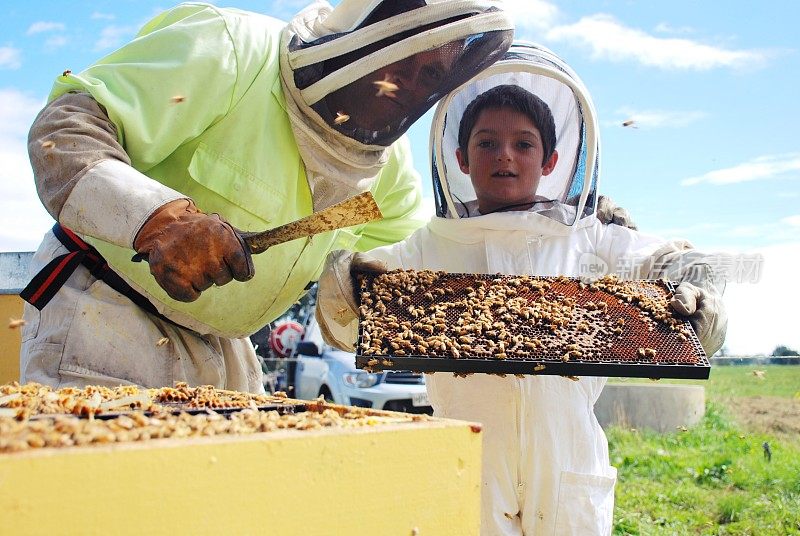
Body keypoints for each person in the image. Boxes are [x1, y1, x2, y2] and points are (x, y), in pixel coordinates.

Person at [315, 42, 727, 535]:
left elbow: (677, 263)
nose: (504, 155)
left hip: (567, 458)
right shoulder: (430, 246)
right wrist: (345, 283)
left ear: (552, 160)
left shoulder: (591, 239)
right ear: (461, 159)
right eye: (486, 142)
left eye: (524, 144)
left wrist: (699, 291)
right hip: (470, 452)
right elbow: (344, 317)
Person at [19, 0, 515, 392]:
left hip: (228, 348)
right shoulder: (233, 50)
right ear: (370, 30)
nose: (405, 82)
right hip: (101, 309)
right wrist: (160, 220)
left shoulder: (391, 176)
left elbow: (399, 282)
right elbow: (64, 133)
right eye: (405, 55)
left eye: (431, 74)